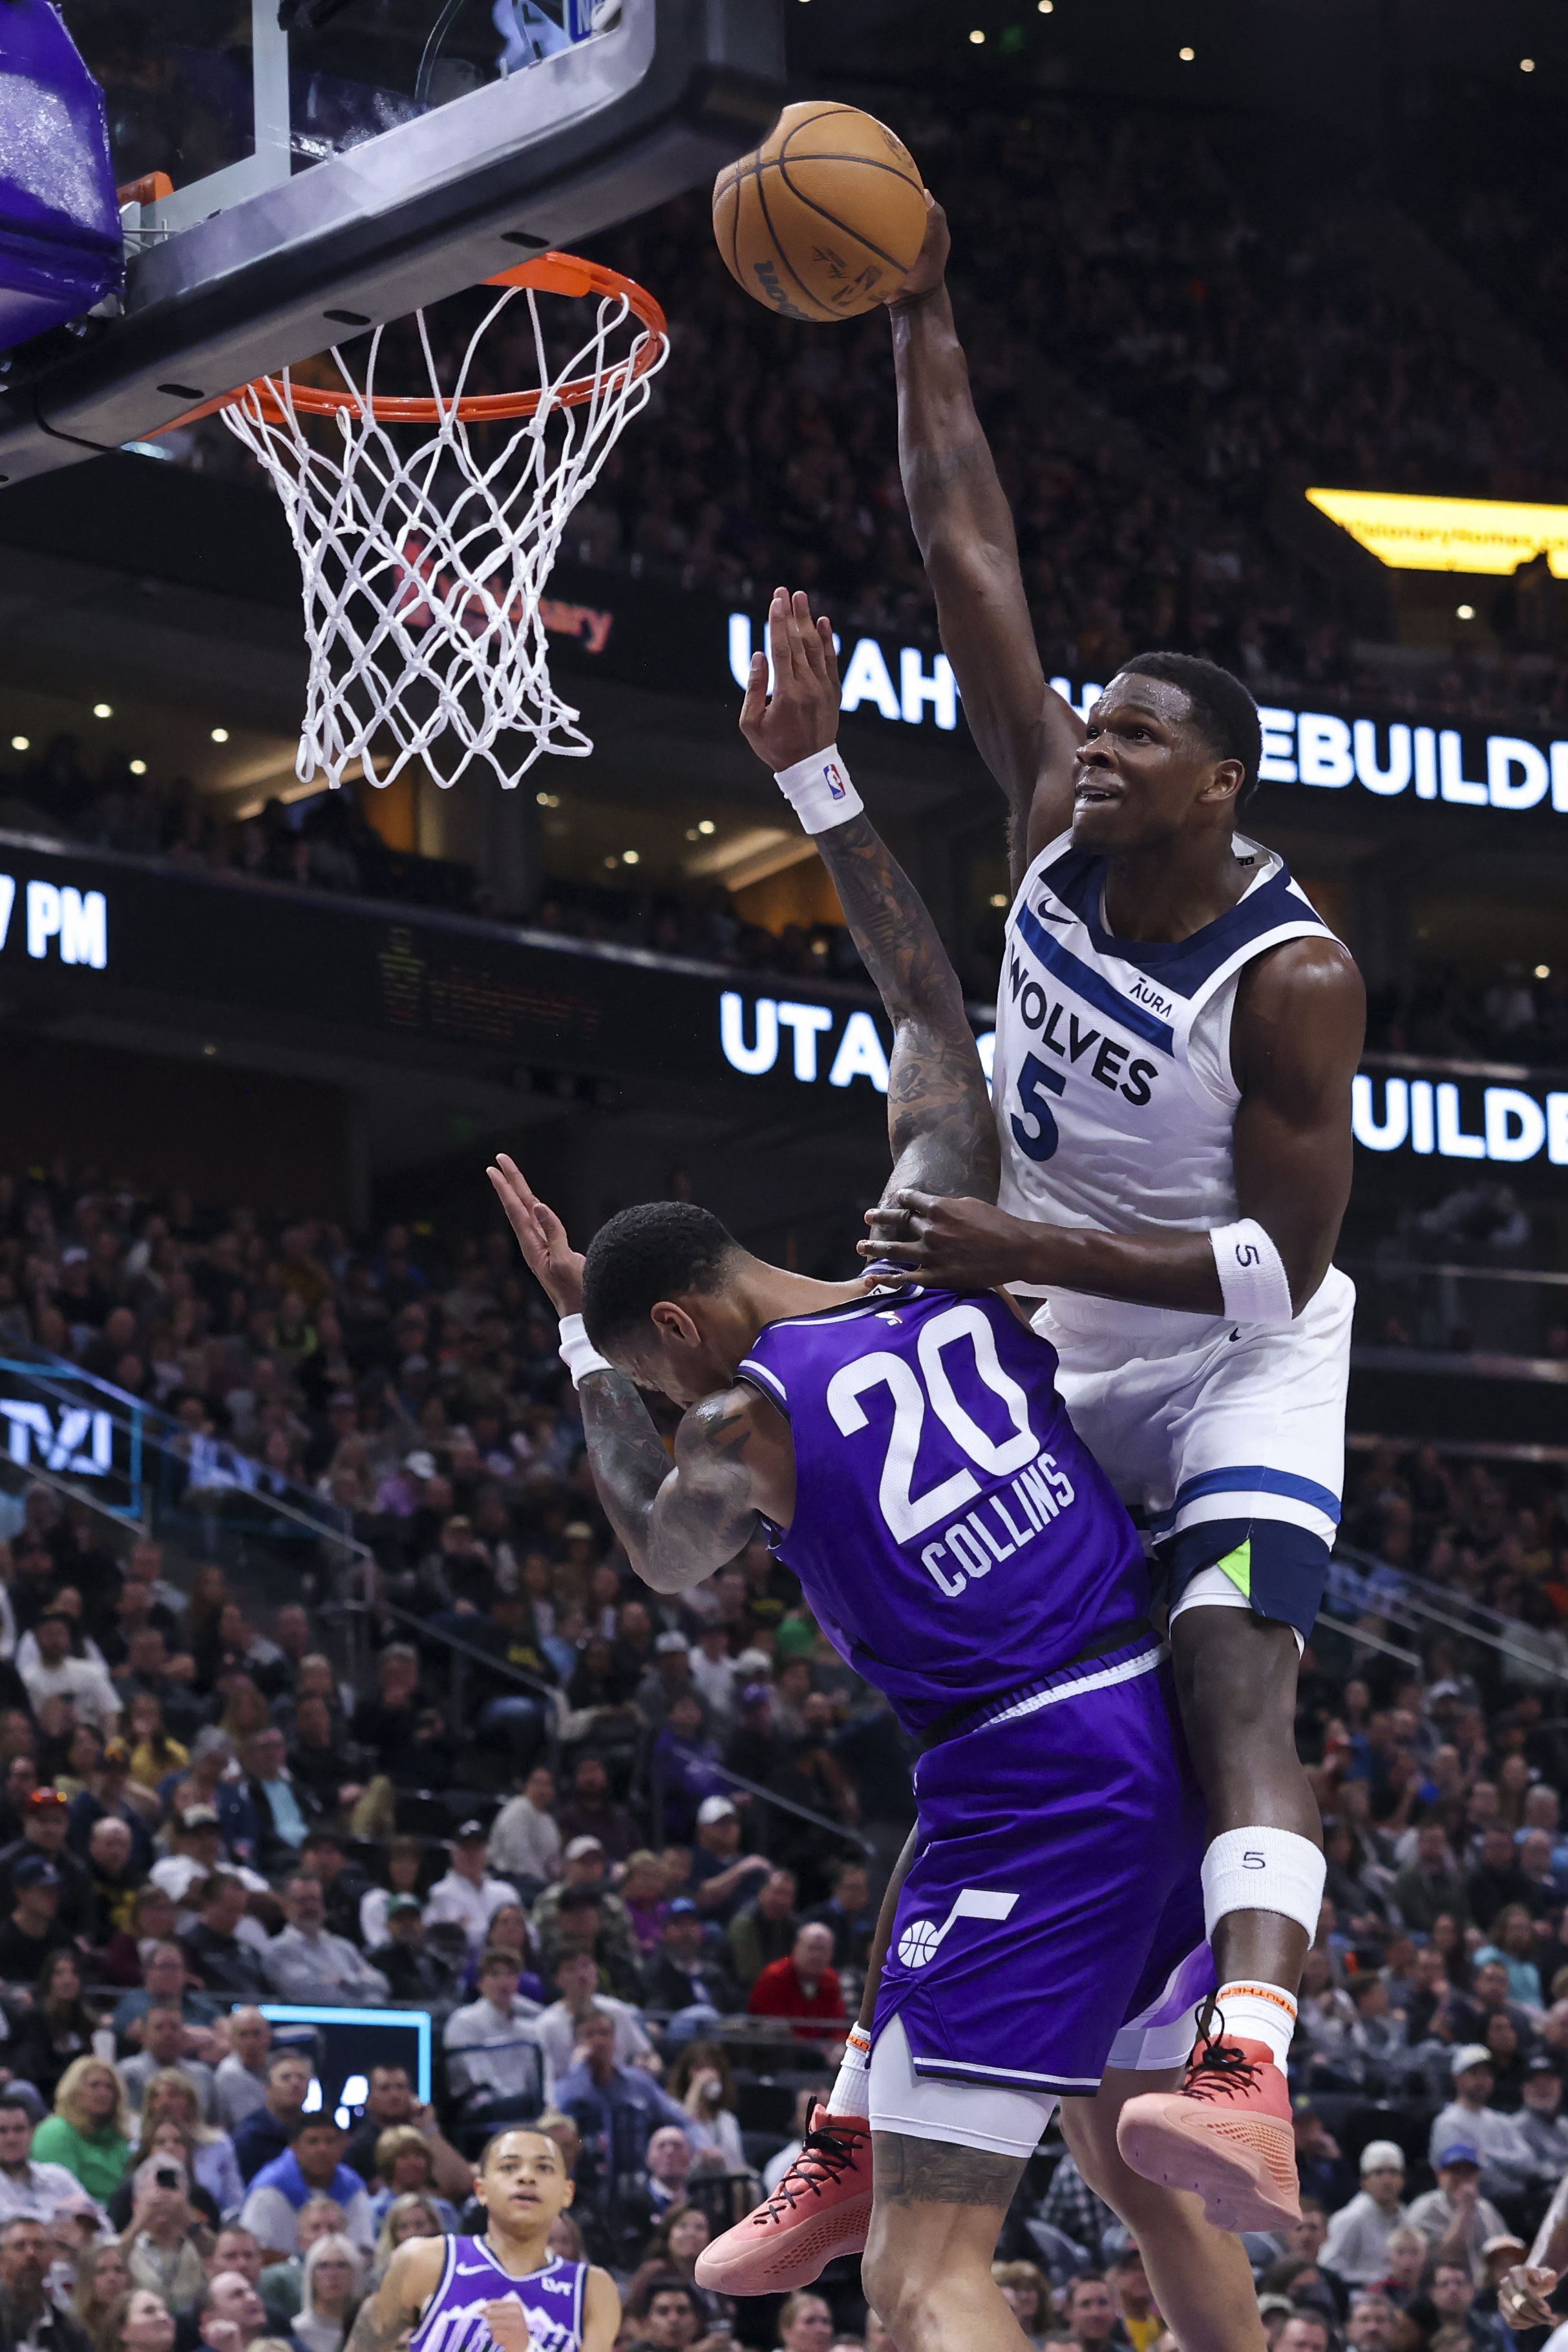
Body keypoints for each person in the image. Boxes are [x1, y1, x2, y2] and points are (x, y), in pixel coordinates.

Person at [488, 595, 1260, 2352]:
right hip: (1162, 1719)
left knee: (922, 2273)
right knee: (1130, 2156)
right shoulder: (934, 1241)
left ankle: (844, 2138)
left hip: (1032, 1787)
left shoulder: (734, 1419)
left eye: (646, 1357)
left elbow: (658, 1550)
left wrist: (568, 1348)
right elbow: (923, 995)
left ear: (677, 1326)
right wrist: (821, 777)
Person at [863, 196, 1367, 2231]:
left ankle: (1247, 2066)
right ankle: (857, 2110)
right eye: (1098, 726)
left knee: (1233, 1666)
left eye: (1139, 737)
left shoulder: (1294, 975)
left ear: (1219, 787)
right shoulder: (1044, 828)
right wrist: (921, 310)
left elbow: (1281, 1265)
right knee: (980, 1693)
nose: (1098, 748)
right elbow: (961, 535)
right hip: (1061, 1334)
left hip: (1238, 1347)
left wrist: (1026, 1249)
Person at [332, 2128, 618, 2352]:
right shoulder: (422, 2259)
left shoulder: (593, 2288)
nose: (526, 2177)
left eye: (544, 2168)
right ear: (480, 2190)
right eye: (509, 2167)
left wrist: (526, 2349)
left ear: (567, 2193)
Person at [240, 2115, 376, 2263]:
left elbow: (365, 2249)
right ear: (294, 2148)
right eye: (313, 2141)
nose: (322, 2149)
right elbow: (254, 2251)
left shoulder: (353, 2188)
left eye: (330, 2141)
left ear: (343, 2146)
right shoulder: (268, 2191)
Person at [443, 1951, 551, 2128]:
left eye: (510, 1974)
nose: (504, 1981)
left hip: (524, 2103)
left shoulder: (527, 2029)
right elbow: (480, 2079)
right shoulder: (464, 2021)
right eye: (495, 1974)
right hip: (478, 2106)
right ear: (480, 1983)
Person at [262, 1880, 387, 2008]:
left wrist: (343, 1981)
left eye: (315, 1900)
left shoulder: (344, 1947)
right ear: (286, 1907)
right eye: (302, 1901)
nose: (310, 1907)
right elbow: (308, 1994)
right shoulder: (278, 1950)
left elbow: (381, 1985)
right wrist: (357, 1983)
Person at [535, 1954, 653, 2086]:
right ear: (558, 1980)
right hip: (572, 2098)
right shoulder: (547, 2024)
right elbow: (550, 2080)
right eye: (571, 1969)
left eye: (585, 1966)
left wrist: (645, 2067)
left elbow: (647, 2054)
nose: (581, 1975)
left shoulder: (616, 2010)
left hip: (621, 2092)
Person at [0, 2091, 107, 2232]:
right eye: (2, 2131)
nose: (11, 2139)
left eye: (19, 2130)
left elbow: (103, 2223)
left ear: (32, 2133)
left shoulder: (58, 2176)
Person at [32, 2057, 133, 2205]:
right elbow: (62, 2196)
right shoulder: (56, 2132)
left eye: (110, 2087)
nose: (103, 2093)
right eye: (94, 2085)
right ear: (73, 2090)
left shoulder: (119, 2135)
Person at [0, 2215, 97, 2352]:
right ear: (1, 2260)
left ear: (52, 2257)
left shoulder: (69, 2330)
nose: (31, 2253)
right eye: (20, 2246)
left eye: (39, 2245)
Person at [1322, 2143, 1411, 2288]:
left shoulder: (1405, 2217)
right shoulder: (1351, 2218)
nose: (1387, 2180)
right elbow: (1328, 2267)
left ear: (1403, 2180)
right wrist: (1376, 2279)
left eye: (1393, 2172)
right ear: (1364, 2181)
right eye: (1379, 2173)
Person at [747, 1924, 846, 2050]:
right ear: (796, 1948)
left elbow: (837, 2026)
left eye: (822, 1950)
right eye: (811, 1948)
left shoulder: (832, 1980)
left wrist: (838, 2047)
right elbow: (772, 2026)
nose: (817, 1956)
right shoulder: (774, 1976)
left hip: (822, 2054)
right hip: (780, 2052)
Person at [423, 1825, 516, 1957]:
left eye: (477, 1849)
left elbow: (530, 1936)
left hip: (507, 1965)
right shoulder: (440, 1893)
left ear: (486, 1853)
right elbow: (433, 1939)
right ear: (453, 1853)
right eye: (466, 1848)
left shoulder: (506, 1892)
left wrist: (472, 1929)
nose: (471, 1855)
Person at [233, 2053, 316, 2188]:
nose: (295, 2083)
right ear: (268, 2087)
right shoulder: (249, 2136)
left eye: (301, 2078)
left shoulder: (318, 2132)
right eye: (286, 2078)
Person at [484, 1772, 562, 1894]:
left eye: (547, 1785)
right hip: (508, 1878)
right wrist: (544, 1884)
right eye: (537, 1783)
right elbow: (517, 1854)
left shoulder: (548, 1819)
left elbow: (552, 1858)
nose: (542, 1790)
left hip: (538, 1883)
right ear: (528, 1786)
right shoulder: (519, 1809)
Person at [290, 2234, 363, 2352]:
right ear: (311, 2276)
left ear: (355, 2274)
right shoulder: (295, 2331)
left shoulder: (370, 2330)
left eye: (341, 2265)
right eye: (323, 2266)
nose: (333, 2274)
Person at [215, 2011, 273, 2137]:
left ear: (268, 2036)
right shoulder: (229, 2074)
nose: (250, 2042)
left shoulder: (276, 2067)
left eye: (256, 2034)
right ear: (232, 2039)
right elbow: (252, 2126)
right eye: (243, 2035)